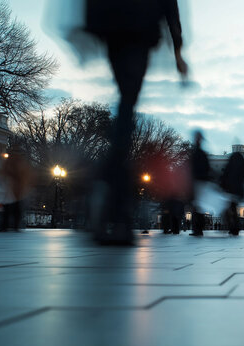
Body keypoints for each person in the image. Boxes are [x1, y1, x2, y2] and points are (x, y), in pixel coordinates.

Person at [80, 0, 188, 244]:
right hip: (140, 31)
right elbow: (171, 9)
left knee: (125, 104)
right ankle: (115, 203)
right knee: (127, 106)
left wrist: (90, 25)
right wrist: (178, 53)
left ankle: (105, 187)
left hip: (113, 28)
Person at [0, 150, 33, 232]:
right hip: (12, 191)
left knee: (13, 209)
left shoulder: (18, 166)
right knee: (10, 209)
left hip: (16, 191)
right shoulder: (11, 164)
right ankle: (9, 226)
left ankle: (10, 226)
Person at [220, 151, 244, 236]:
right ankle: (235, 227)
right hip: (238, 191)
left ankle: (233, 227)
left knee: (230, 209)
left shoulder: (230, 166)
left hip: (230, 190)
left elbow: (225, 177)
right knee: (233, 209)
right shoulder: (243, 166)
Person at [190, 132, 210, 236]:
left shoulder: (196, 153)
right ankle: (199, 228)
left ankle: (197, 229)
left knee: (196, 207)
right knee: (199, 207)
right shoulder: (202, 153)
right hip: (201, 182)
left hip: (196, 182)